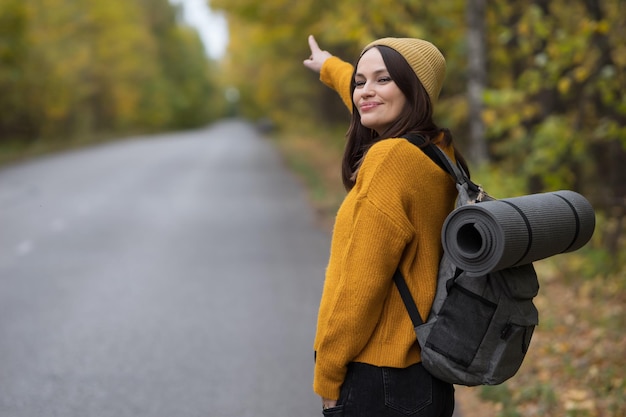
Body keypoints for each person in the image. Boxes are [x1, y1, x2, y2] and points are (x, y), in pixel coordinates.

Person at [303, 34, 470, 416]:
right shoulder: (439, 152)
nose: (365, 92)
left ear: (415, 89)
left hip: (377, 381)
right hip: (426, 378)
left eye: (383, 79)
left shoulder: (389, 160)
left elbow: (359, 284)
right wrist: (332, 68)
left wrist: (328, 374)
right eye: (361, 81)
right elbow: (368, 101)